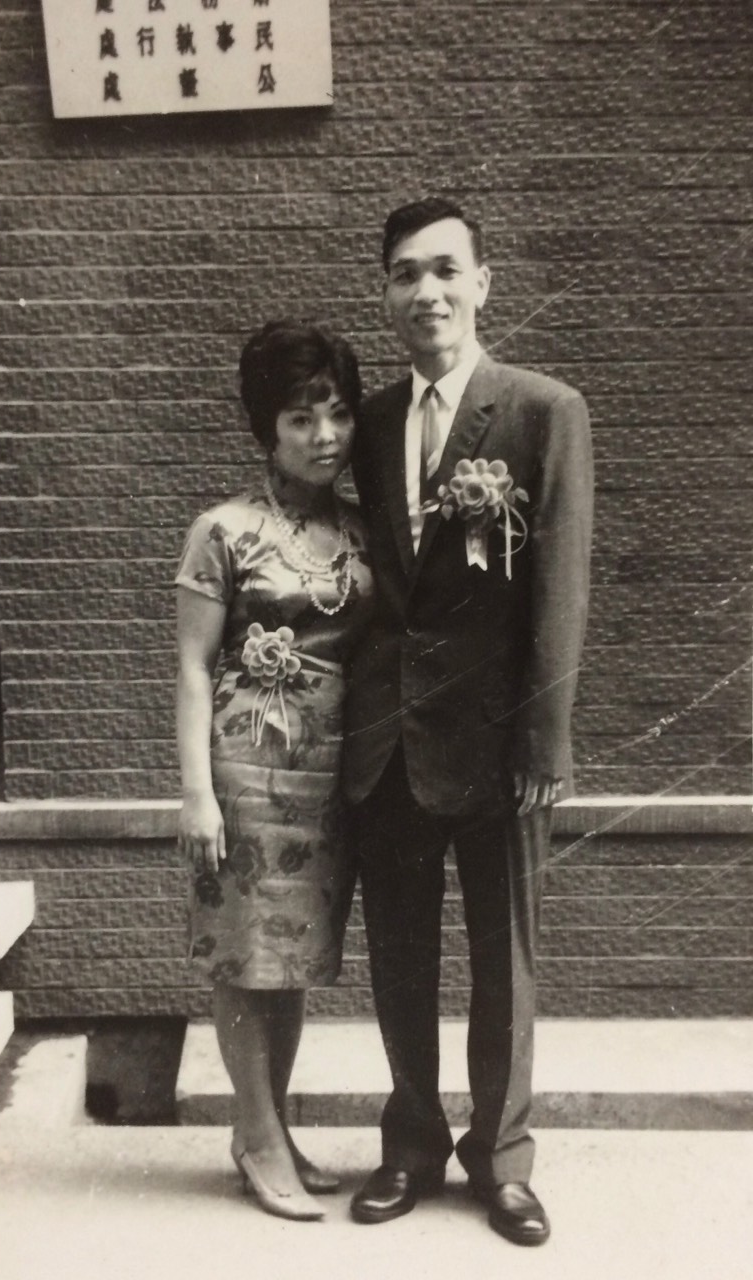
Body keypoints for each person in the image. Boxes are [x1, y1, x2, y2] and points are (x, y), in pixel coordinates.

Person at [344, 197, 594, 1244]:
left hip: (499, 747)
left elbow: (561, 589)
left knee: (506, 963)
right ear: (386, 295)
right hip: (389, 746)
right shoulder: (369, 425)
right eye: (405, 273)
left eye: (446, 269)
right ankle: (411, 1141)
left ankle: (502, 1157)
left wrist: (545, 738)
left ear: (484, 284)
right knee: (400, 957)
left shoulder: (542, 410)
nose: (427, 292)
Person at [175, 319, 372, 1222]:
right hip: (246, 769)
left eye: (337, 413)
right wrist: (197, 795)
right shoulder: (223, 530)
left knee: (289, 959)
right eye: (301, 418)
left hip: (328, 776)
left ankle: (273, 1127)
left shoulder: (362, 530)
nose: (324, 436)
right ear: (267, 428)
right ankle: (254, 1136)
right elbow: (191, 667)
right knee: (245, 954)